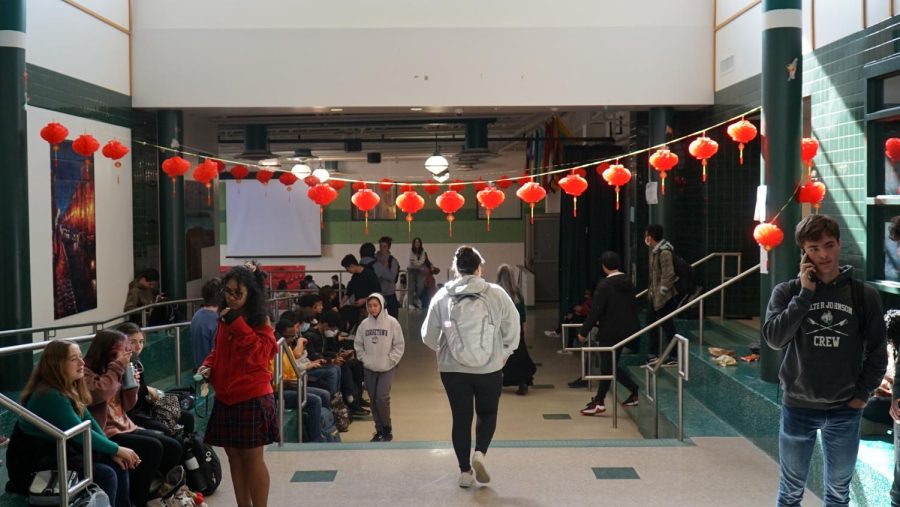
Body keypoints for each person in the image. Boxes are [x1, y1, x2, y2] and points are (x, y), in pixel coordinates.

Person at [762, 214, 887, 507]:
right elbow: (774, 339)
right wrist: (806, 294)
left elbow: (878, 351)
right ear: (804, 253)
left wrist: (862, 394)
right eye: (814, 249)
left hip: (845, 408)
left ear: (839, 244)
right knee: (791, 492)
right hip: (798, 406)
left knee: (838, 493)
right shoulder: (788, 291)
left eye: (829, 245)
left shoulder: (863, 294)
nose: (823, 255)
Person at [422, 246, 520, 488]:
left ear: (456, 269)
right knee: (487, 412)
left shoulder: (442, 296)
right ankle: (480, 453)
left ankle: (465, 472)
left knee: (461, 418)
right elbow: (513, 326)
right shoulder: (495, 293)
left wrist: (444, 348)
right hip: (489, 367)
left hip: (452, 370)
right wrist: (505, 352)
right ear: (479, 268)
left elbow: (427, 335)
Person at [4, 340, 139, 507]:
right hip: (35, 463)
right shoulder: (50, 395)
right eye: (74, 359)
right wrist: (116, 449)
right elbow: (81, 434)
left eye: (80, 357)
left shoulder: (68, 387)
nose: (82, 363)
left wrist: (113, 450)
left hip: (58, 451)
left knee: (117, 463)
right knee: (106, 474)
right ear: (57, 364)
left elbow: (88, 422)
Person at [198, 264, 279, 507]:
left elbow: (261, 355)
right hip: (226, 397)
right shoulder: (224, 316)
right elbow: (218, 350)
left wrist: (237, 324)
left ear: (250, 293)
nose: (231, 298)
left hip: (252, 397)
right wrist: (207, 365)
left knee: (252, 459)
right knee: (233, 457)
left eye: (238, 293)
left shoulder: (259, 319)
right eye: (228, 291)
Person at [83, 330, 183, 507]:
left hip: (125, 424)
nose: (128, 354)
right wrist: (117, 369)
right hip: (106, 431)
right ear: (107, 350)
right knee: (153, 448)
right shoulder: (87, 372)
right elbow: (98, 393)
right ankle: (139, 499)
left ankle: (150, 490)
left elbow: (128, 407)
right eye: (124, 350)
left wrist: (132, 388)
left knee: (173, 447)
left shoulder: (117, 369)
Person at [577, 251, 641, 416]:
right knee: (609, 365)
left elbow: (596, 311)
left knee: (608, 366)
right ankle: (600, 400)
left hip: (610, 331)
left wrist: (584, 332)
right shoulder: (628, 282)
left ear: (604, 267)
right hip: (627, 330)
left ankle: (632, 389)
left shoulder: (604, 285)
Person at [118, 322, 194, 436]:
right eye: (132, 342)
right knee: (167, 432)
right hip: (133, 413)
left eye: (141, 342)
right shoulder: (121, 365)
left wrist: (150, 392)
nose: (138, 346)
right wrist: (148, 391)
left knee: (187, 417)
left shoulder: (135, 362)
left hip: (144, 406)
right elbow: (131, 400)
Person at [354, 293, 405, 442]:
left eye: (375, 305)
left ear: (382, 305)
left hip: (387, 367)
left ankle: (387, 427)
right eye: (369, 306)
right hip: (369, 367)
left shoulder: (392, 323)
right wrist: (364, 359)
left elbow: (399, 345)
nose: (372, 308)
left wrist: (391, 360)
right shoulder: (364, 324)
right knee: (373, 399)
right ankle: (379, 430)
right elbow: (358, 344)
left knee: (382, 398)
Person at [496, 264, 536, 395]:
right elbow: (522, 313)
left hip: (501, 330)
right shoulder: (517, 292)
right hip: (516, 329)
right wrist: (523, 327)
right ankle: (522, 382)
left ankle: (498, 382)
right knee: (519, 355)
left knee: (501, 357)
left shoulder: (496, 292)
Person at [645, 224, 678, 366]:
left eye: (646, 235)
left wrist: (661, 293)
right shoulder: (655, 252)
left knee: (667, 325)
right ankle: (653, 354)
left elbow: (668, 275)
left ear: (650, 236)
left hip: (665, 297)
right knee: (651, 322)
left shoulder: (664, 252)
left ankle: (674, 355)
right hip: (655, 296)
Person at [340, 254, 380, 333]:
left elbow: (377, 292)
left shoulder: (370, 274)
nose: (348, 271)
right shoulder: (355, 276)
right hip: (359, 309)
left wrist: (365, 300)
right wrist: (342, 303)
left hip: (370, 308)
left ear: (352, 266)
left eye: (347, 269)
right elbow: (349, 291)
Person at [190, 277, 221, 370]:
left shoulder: (197, 315)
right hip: (211, 372)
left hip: (200, 369)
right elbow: (217, 354)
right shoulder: (216, 322)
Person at [372, 238, 401, 318]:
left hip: (389, 293)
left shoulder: (392, 261)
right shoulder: (374, 259)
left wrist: (382, 268)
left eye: (384, 246)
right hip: (377, 292)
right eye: (381, 246)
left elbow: (392, 277)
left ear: (388, 247)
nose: (382, 249)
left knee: (392, 318)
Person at [407, 237, 429, 309]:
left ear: (420, 244)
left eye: (418, 242)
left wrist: (418, 264)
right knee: (411, 287)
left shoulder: (423, 251)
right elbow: (412, 261)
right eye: (415, 242)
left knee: (420, 286)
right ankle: (410, 303)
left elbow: (422, 260)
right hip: (411, 270)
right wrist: (419, 264)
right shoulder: (411, 251)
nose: (417, 244)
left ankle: (416, 299)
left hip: (419, 270)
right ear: (413, 244)